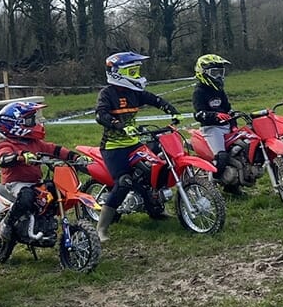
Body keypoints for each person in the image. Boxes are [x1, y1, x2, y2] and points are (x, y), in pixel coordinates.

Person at [94, 52, 180, 242]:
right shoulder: (107, 94)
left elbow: (154, 99)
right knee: (124, 182)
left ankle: (156, 211)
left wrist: (171, 110)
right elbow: (101, 115)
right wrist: (120, 125)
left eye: (137, 71)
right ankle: (101, 229)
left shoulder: (134, 93)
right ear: (117, 73)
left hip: (134, 143)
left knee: (150, 173)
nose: (136, 75)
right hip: (113, 147)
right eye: (132, 72)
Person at [0, 100, 82, 242]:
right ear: (15, 123)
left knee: (54, 189)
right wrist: (19, 156)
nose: (35, 123)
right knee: (27, 196)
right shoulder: (4, 143)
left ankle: (45, 222)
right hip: (15, 184)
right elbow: (4, 158)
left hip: (35, 182)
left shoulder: (34, 142)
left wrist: (75, 157)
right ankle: (6, 223)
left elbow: (54, 149)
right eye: (30, 120)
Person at [191, 54, 237, 192]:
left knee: (239, 152)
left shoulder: (219, 90)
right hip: (211, 128)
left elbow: (229, 109)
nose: (218, 77)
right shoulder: (199, 92)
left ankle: (233, 185)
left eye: (220, 73)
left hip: (226, 125)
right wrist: (215, 115)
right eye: (214, 73)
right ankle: (212, 184)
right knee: (221, 156)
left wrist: (234, 125)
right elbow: (199, 114)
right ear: (203, 73)